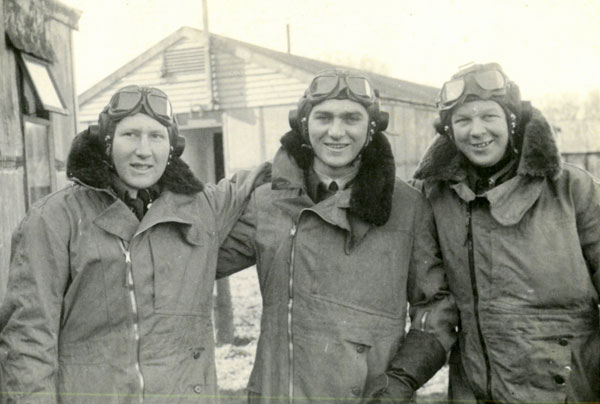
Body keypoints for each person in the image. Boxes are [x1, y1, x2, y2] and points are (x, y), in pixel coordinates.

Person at [0, 85, 269, 403]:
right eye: (130, 135)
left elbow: (263, 190)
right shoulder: (55, 219)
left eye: (156, 136)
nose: (144, 150)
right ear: (106, 141)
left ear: (172, 147)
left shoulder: (201, 210)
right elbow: (28, 341)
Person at [216, 69, 458, 402]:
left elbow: (436, 308)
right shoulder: (267, 200)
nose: (336, 132)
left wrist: (400, 382)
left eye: (351, 119)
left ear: (371, 127)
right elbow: (194, 262)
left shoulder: (408, 205)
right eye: (324, 118)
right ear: (303, 124)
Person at [411, 63, 600, 402]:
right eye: (463, 120)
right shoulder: (435, 196)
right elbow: (434, 303)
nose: (476, 130)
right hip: (474, 389)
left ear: (512, 121)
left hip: (567, 391)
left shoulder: (572, 190)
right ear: (449, 130)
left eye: (489, 116)